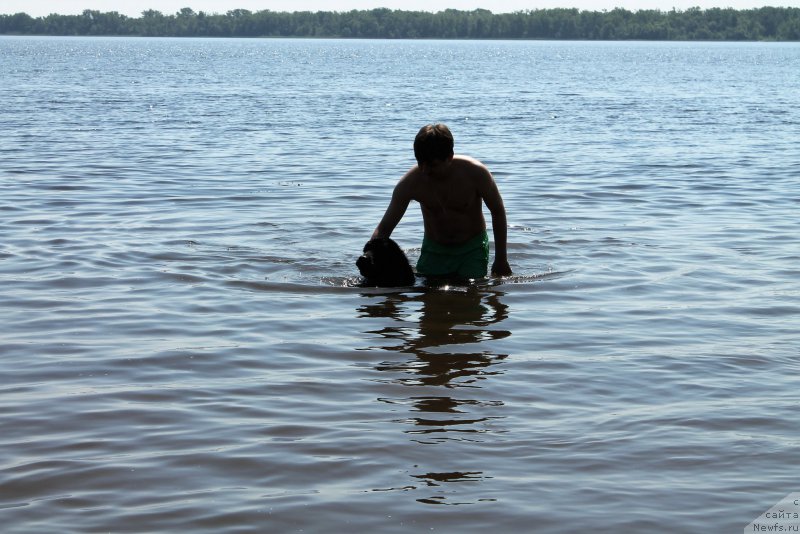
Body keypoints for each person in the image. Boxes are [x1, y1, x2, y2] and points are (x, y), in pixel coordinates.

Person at [371, 123, 512, 279]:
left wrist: (501, 260)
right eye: (420, 163)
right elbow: (384, 229)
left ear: (449, 157)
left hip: (472, 248)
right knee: (429, 295)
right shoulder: (410, 183)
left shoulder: (476, 174)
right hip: (434, 249)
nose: (424, 170)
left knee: (471, 293)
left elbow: (497, 211)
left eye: (432, 165)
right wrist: (370, 256)